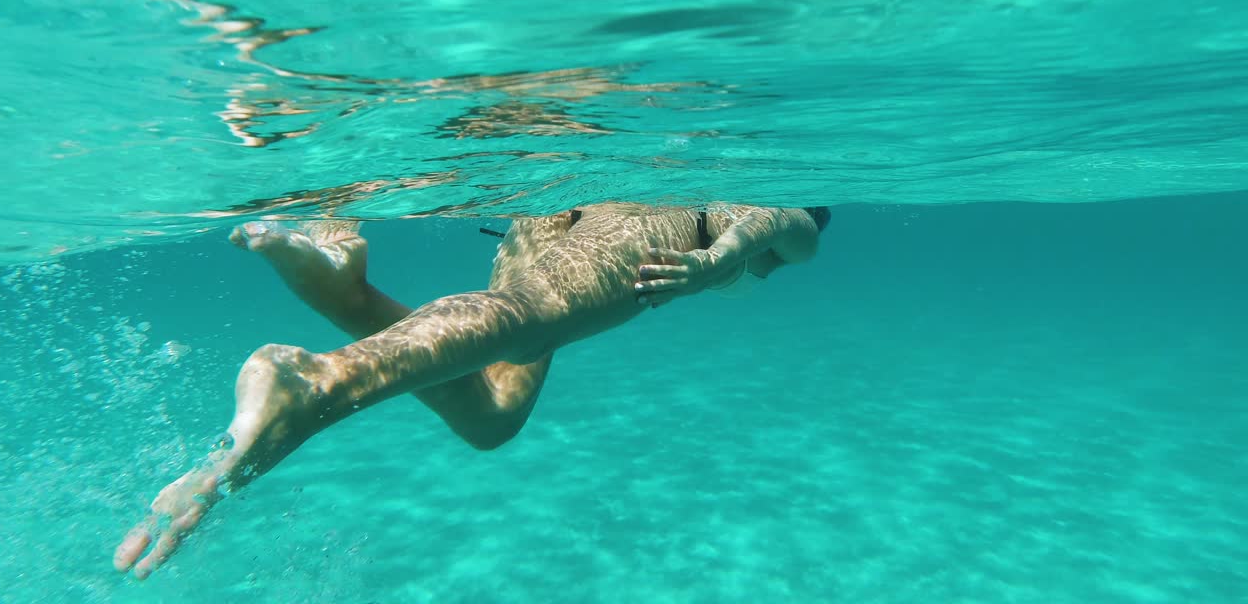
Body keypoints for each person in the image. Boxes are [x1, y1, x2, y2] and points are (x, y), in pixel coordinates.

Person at [113, 202, 831, 578]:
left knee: (493, 413)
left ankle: (341, 286)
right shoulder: (784, 213)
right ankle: (321, 381)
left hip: (554, 220)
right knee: (526, 320)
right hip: (643, 230)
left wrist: (718, 260)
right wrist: (718, 261)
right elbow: (782, 224)